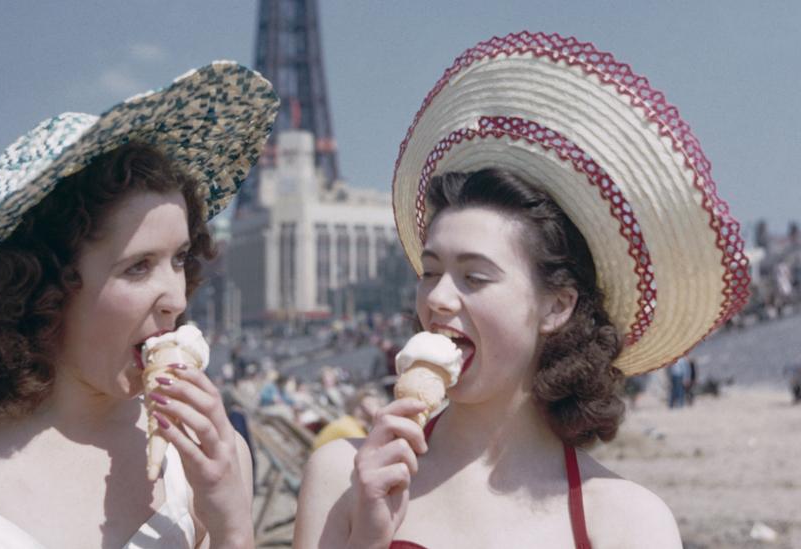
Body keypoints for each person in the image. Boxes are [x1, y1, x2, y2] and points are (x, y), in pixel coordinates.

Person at [295, 31, 749, 549]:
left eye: (475, 277)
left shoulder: (628, 523)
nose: (438, 298)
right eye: (431, 270)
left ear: (556, 306)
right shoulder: (342, 476)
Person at [0, 61, 278, 548]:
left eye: (180, 259)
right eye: (138, 266)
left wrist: (232, 524)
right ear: (41, 288)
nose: (174, 296)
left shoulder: (212, 460)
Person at [312, 385, 386, 451]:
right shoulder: (353, 432)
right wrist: (379, 416)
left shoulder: (346, 421)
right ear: (367, 407)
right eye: (379, 404)